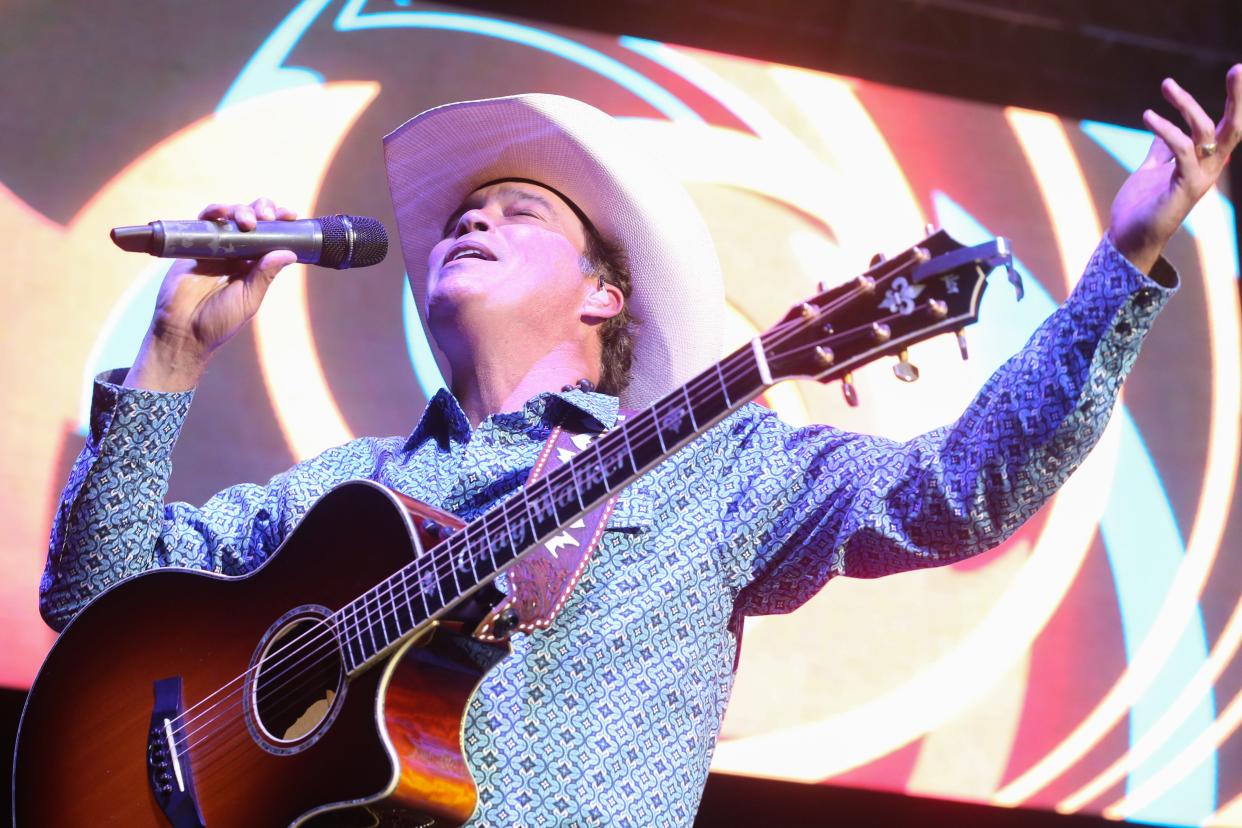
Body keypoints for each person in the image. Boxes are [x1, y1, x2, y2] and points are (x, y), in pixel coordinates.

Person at [40, 71, 1239, 826]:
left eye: (522, 212)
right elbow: (91, 604)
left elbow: (955, 493)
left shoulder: (722, 467)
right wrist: (173, 359)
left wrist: (1121, 266)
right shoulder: (348, 489)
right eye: (466, 211)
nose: (473, 217)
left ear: (607, 297)